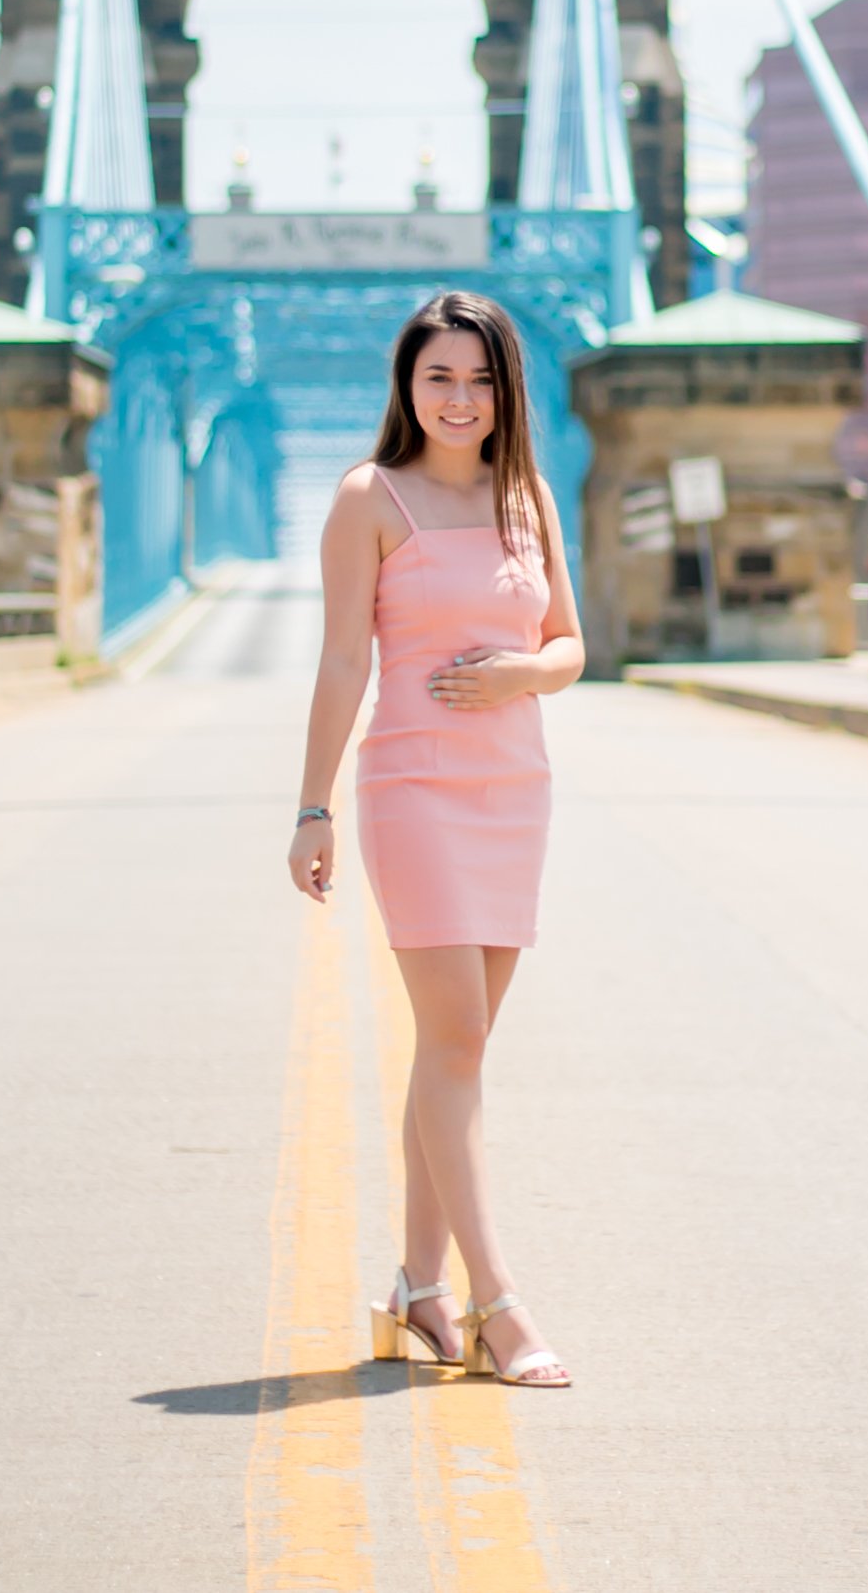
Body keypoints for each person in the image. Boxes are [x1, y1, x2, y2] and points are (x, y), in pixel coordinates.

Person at [287, 291, 584, 1388]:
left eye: (480, 378)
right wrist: (313, 807)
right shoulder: (371, 497)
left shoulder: (529, 497)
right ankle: (499, 1301)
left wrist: (521, 672)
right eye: (438, 377)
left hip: (515, 784)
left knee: (456, 1050)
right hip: (413, 785)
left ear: (507, 390)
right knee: (456, 1037)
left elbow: (569, 642)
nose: (460, 399)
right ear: (407, 388)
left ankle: (419, 1286)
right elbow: (340, 662)